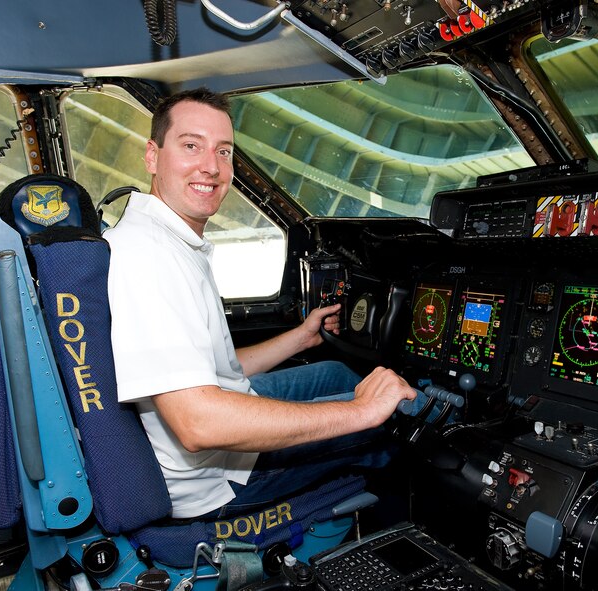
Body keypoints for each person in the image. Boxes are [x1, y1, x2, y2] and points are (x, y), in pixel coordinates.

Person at [105, 88, 416, 520]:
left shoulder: (170, 239)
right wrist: (361, 412)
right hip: (217, 481)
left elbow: (211, 370)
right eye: (191, 145)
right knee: (398, 423)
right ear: (153, 156)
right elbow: (199, 424)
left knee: (335, 374)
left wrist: (301, 337)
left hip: (215, 435)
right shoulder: (149, 258)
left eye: (224, 151)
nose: (211, 167)